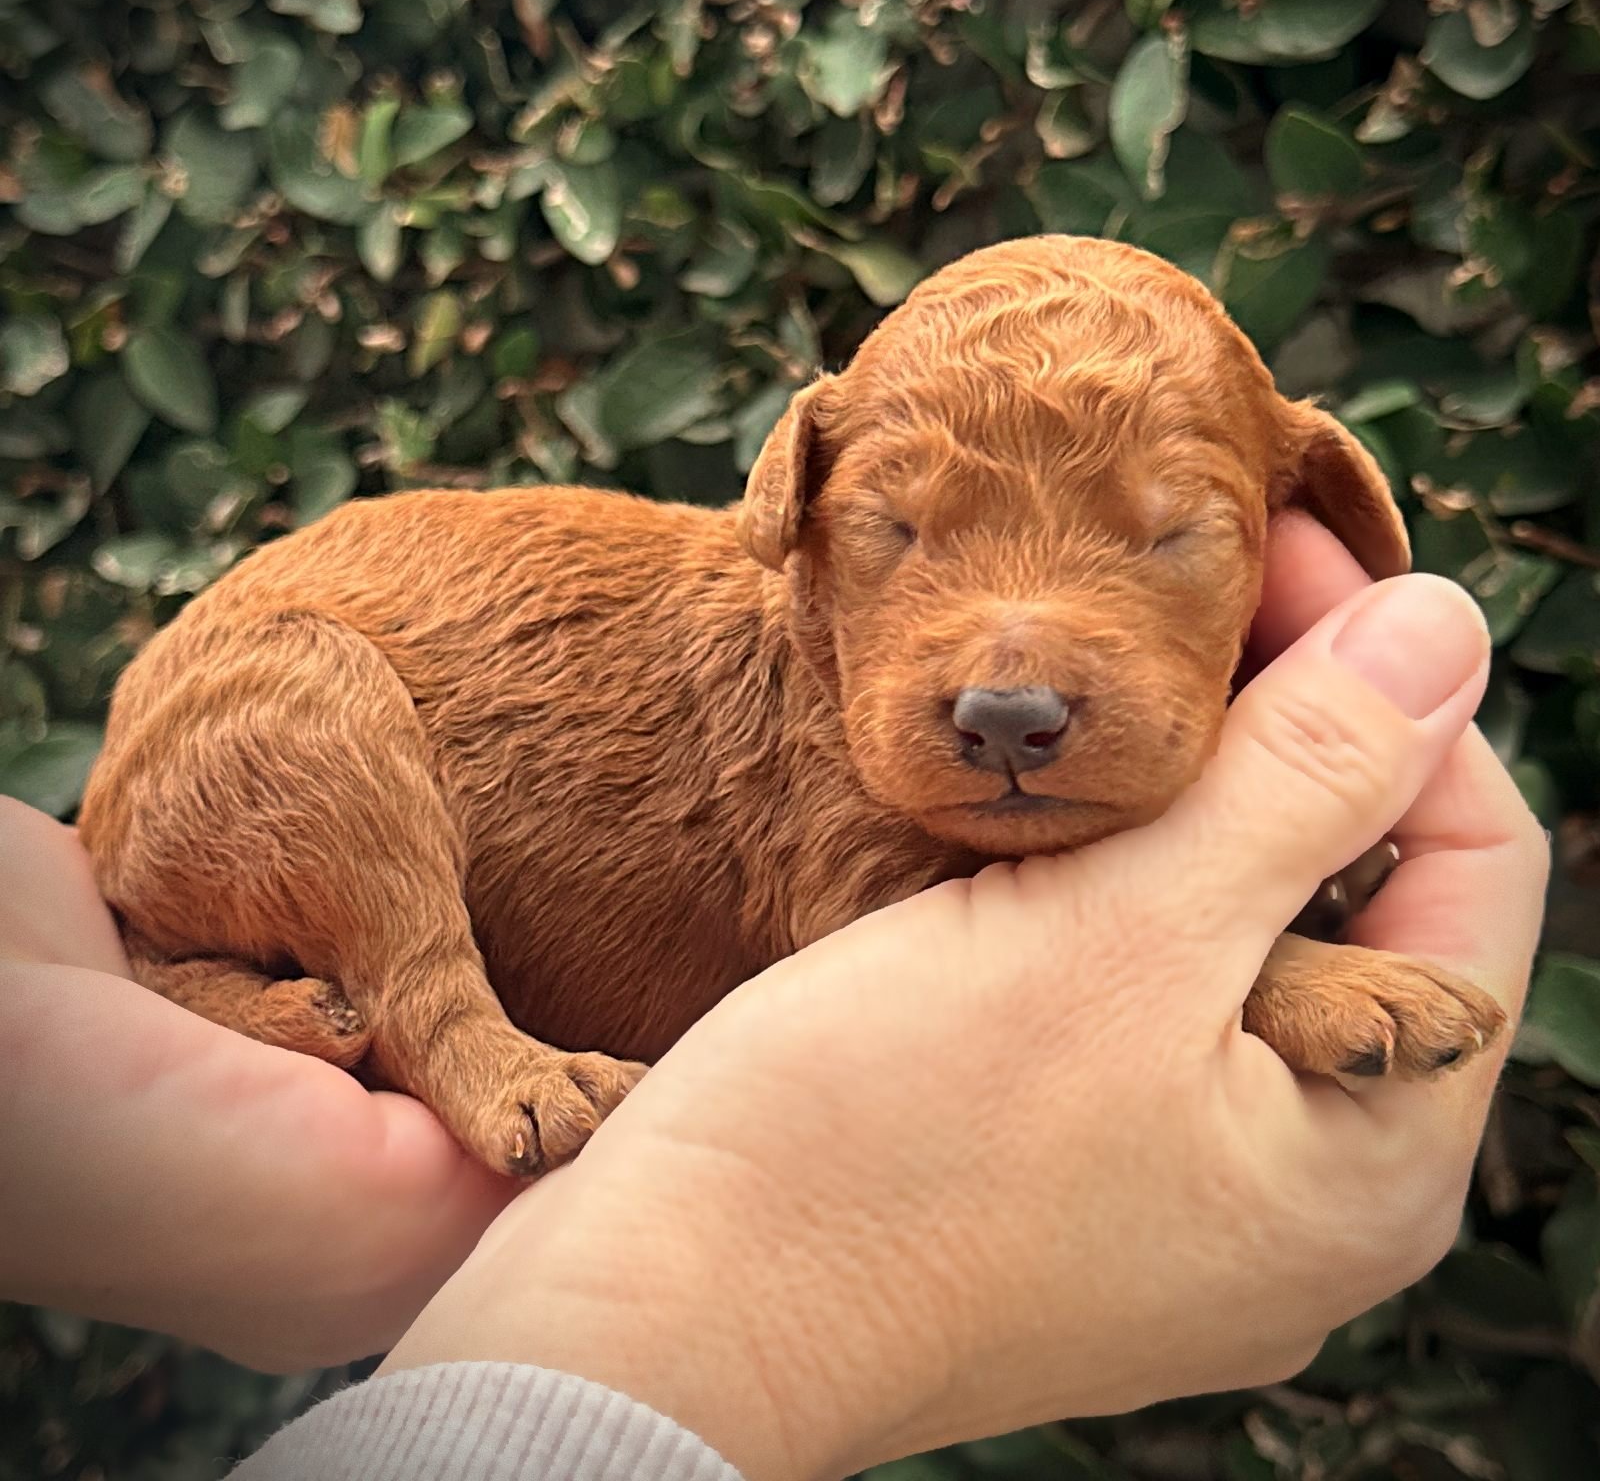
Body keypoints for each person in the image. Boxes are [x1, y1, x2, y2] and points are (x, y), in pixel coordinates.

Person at [0, 516, 1548, 1481]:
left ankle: (255, 994)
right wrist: (778, 1324)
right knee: (316, 715)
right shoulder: (816, 717)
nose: (1002, 669)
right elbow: (918, 925)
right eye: (904, 538)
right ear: (800, 508)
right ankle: (455, 1038)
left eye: (1162, 539)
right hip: (257, 741)